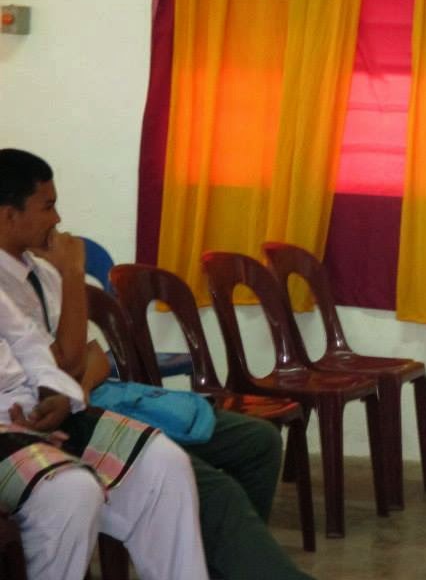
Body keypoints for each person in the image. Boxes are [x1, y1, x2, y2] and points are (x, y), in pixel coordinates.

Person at [0, 148, 311, 580]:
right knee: (209, 491)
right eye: (47, 206)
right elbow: (65, 360)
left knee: (244, 445)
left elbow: (87, 357)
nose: (58, 219)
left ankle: (227, 565)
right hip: (35, 419)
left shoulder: (43, 272)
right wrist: (73, 276)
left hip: (83, 401)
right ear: (8, 215)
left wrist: (74, 389)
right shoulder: (45, 274)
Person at [0, 287, 209, 580]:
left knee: (164, 462)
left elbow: (27, 342)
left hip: (33, 408)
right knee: (70, 490)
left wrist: (55, 392)